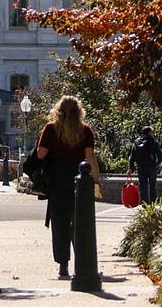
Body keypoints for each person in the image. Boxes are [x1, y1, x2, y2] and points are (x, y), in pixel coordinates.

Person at [35, 95, 101, 279]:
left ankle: (63, 265)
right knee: (80, 223)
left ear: (58, 110)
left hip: (56, 180)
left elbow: (40, 155)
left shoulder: (50, 129)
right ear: (79, 111)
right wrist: (96, 181)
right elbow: (90, 157)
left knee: (59, 223)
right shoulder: (85, 131)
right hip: (80, 180)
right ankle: (83, 262)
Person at [127, 125, 162, 203]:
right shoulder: (153, 141)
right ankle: (153, 203)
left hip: (140, 167)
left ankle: (145, 203)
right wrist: (157, 164)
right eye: (152, 132)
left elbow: (132, 156)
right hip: (151, 167)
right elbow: (160, 155)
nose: (153, 134)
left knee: (143, 186)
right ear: (149, 132)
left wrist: (130, 168)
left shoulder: (136, 142)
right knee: (152, 185)